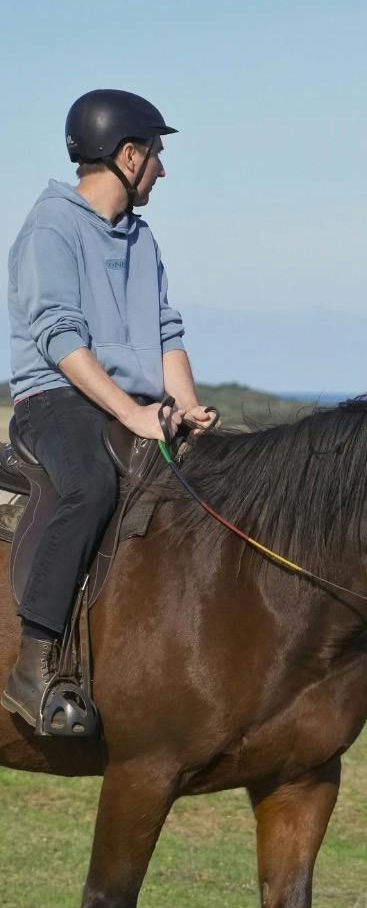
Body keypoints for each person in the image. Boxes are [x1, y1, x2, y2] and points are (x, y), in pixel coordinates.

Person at [3, 90, 218, 734]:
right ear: (129, 155)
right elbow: (59, 338)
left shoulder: (141, 238)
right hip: (56, 401)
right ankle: (33, 666)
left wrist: (187, 405)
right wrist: (133, 413)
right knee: (92, 487)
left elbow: (166, 330)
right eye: (156, 154)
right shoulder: (50, 227)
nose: (162, 169)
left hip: (132, 407)